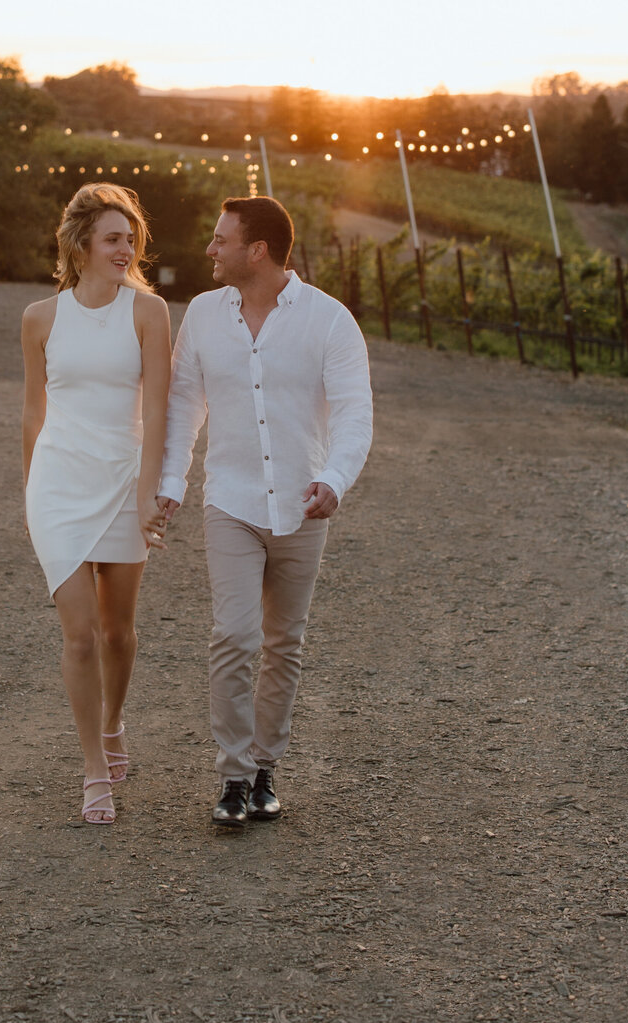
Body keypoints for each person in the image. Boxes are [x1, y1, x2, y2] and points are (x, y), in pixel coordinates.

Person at [157, 196, 372, 827]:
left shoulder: (329, 321)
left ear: (258, 251)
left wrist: (335, 478)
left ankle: (264, 769)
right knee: (234, 634)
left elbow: (355, 413)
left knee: (284, 643)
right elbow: (183, 404)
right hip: (230, 500)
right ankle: (232, 776)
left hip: (304, 506)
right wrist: (173, 478)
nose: (210, 250)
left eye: (221, 240)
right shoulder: (201, 314)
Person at [21, 184, 171, 824]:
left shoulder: (149, 312)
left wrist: (150, 491)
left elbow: (160, 405)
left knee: (117, 630)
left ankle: (113, 723)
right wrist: (34, 489)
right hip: (58, 487)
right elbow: (34, 409)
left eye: (131, 237)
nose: (126, 248)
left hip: (122, 480)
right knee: (79, 636)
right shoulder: (39, 318)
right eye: (114, 237)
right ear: (81, 244)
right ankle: (92, 771)